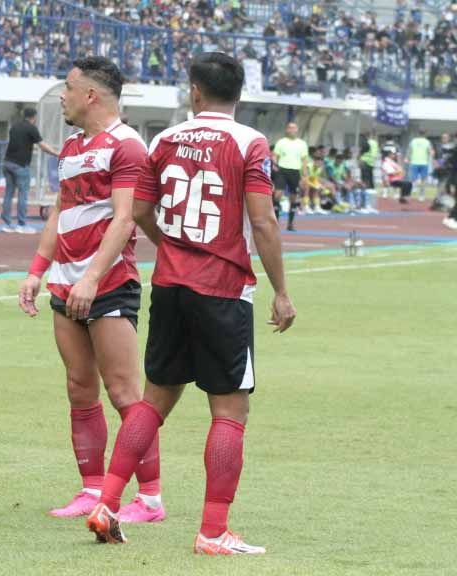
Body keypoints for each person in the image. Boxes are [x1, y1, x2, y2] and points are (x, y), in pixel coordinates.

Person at [87, 52, 296, 554]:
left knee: (155, 400)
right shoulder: (250, 141)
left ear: (195, 91)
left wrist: (175, 248)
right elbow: (263, 222)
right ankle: (213, 532)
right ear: (238, 95)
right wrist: (282, 291)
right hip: (223, 290)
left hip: (172, 287)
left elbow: (138, 211)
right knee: (229, 411)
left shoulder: (164, 139)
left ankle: (107, 504)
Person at [18, 57, 164, 522]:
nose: (62, 95)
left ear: (91, 96)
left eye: (68, 87)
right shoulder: (72, 148)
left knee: (124, 392)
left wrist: (92, 277)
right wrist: (36, 271)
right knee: (80, 388)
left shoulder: (127, 146)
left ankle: (150, 499)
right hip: (66, 282)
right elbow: (59, 212)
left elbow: (126, 219)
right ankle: (91, 488)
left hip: (109, 283)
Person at [2, 108, 60, 233]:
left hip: (7, 162)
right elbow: (42, 145)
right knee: (23, 195)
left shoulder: (14, 127)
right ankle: (21, 224)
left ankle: (7, 224)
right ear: (34, 117)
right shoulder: (31, 128)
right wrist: (56, 153)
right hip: (21, 165)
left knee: (8, 194)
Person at [272, 121, 309, 231]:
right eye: (289, 128)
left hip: (295, 171)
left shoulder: (302, 143)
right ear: (286, 130)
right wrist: (275, 164)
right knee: (277, 194)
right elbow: (274, 155)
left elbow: (304, 161)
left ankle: (290, 223)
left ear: (297, 129)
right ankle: (275, 222)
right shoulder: (281, 142)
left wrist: (304, 176)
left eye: (294, 128)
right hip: (282, 170)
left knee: (293, 197)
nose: (291, 130)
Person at [407, 129, 433, 202]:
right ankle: (421, 196)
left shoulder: (413, 141)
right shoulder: (427, 142)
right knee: (423, 180)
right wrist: (432, 155)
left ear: (418, 133)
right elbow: (430, 151)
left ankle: (414, 186)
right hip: (424, 163)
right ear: (425, 134)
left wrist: (407, 158)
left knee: (413, 177)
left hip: (414, 162)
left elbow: (409, 150)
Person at [359, 131, 379, 209]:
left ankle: (365, 201)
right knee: (370, 180)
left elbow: (363, 151)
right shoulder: (375, 143)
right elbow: (374, 153)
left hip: (365, 161)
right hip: (371, 163)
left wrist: (359, 158)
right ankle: (371, 200)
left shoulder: (367, 143)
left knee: (364, 181)